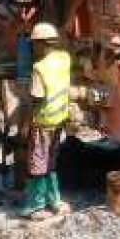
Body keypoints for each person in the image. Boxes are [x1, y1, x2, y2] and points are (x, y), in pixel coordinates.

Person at [19, 23, 72, 221]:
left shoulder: (39, 69)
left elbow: (37, 100)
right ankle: (55, 201)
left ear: (41, 44)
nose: (33, 48)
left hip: (42, 124)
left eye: (34, 44)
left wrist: (25, 124)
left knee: (37, 164)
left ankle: (35, 206)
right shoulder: (64, 59)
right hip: (59, 121)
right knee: (51, 162)